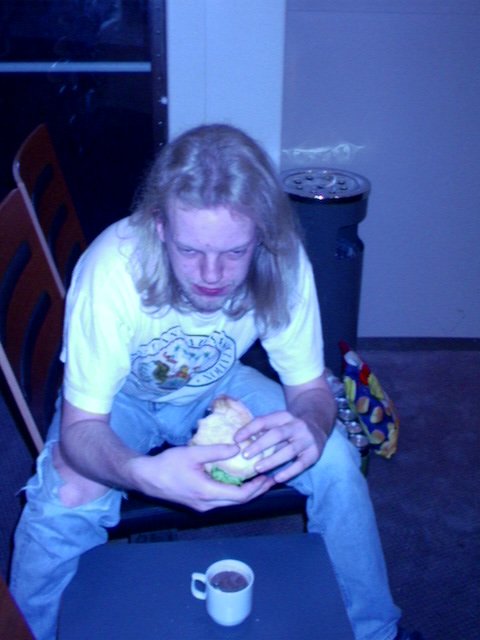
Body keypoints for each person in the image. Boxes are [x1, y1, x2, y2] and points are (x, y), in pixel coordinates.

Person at [10, 124, 419, 640]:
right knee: (63, 500)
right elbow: (81, 428)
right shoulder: (112, 269)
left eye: (234, 253)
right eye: (189, 251)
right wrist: (141, 474)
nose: (210, 274)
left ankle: (375, 631)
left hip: (217, 387)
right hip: (120, 398)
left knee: (336, 460)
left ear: (261, 235)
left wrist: (314, 428)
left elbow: (311, 390)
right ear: (160, 227)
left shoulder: (284, 258)